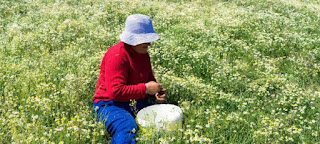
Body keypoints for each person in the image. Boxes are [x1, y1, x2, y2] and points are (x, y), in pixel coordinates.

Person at [92, 14, 166, 144]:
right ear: (132, 39)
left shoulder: (143, 53)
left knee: (161, 120)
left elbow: (149, 79)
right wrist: (145, 89)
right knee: (127, 127)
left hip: (133, 101)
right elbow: (115, 92)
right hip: (108, 104)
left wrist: (156, 93)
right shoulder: (117, 55)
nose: (149, 43)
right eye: (145, 39)